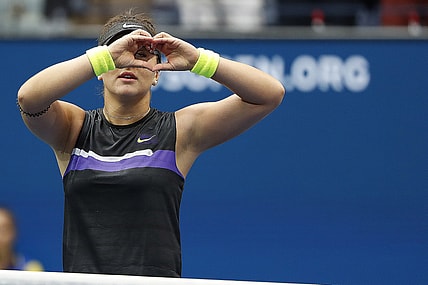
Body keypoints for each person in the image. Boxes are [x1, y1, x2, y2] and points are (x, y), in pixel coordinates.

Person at [17, 10, 285, 277]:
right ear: (100, 70)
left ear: (157, 74)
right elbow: (29, 98)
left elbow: (269, 94)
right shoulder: (73, 128)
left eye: (143, 55)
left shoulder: (181, 130)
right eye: (119, 54)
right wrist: (104, 57)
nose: (129, 63)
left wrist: (198, 60)